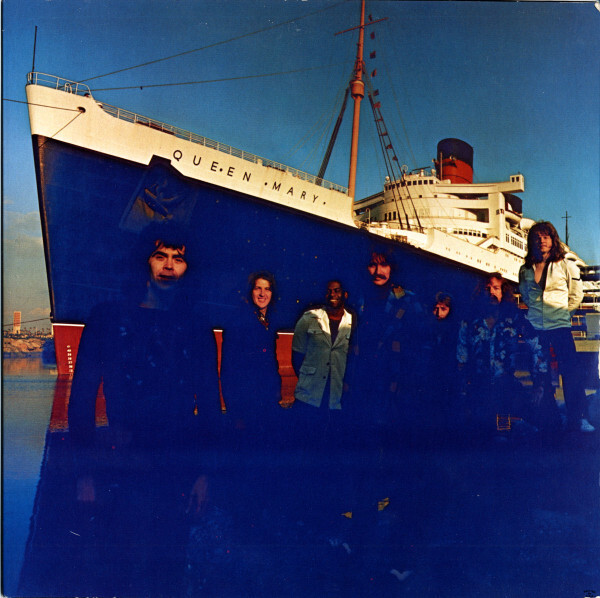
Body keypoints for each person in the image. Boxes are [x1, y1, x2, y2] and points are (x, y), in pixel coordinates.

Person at [68, 223, 221, 597]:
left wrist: (206, 473)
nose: (169, 266)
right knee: (119, 569)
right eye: (160, 256)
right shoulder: (106, 318)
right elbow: (82, 398)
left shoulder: (197, 327)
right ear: (144, 261)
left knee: (169, 568)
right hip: (122, 465)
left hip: (178, 465)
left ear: (189, 268)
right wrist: (83, 473)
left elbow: (209, 404)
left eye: (178, 259)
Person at [519, 221, 595, 433]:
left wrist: (563, 315)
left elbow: (576, 295)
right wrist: (536, 315)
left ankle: (578, 418)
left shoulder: (566, 265)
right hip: (536, 328)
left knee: (571, 373)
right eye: (537, 237)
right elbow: (525, 294)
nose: (541, 240)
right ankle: (549, 418)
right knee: (540, 374)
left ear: (553, 240)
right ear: (531, 241)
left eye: (546, 236)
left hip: (560, 327)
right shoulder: (525, 269)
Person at [457, 273, 544, 437]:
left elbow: (537, 348)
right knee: (477, 434)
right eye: (487, 288)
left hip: (507, 385)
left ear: (503, 292)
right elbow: (461, 356)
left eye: (496, 288)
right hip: (478, 386)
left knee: (521, 429)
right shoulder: (469, 320)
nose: (491, 292)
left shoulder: (515, 318)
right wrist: (462, 391)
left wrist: (538, 385)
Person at [350, 250, 424, 436]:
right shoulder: (360, 298)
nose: (378, 271)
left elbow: (420, 340)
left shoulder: (407, 299)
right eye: (372, 265)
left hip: (395, 375)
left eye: (383, 265)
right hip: (364, 372)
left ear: (392, 268)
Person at [220, 270, 282, 446]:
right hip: (245, 404)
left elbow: (270, 360)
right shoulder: (238, 321)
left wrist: (275, 389)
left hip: (266, 399)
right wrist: (236, 413)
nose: (262, 293)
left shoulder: (268, 320)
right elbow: (229, 368)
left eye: (267, 289)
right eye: (257, 288)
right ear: (250, 291)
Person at [291, 280, 354, 439]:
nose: (332, 294)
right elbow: (297, 355)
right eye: (329, 291)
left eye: (337, 290)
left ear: (345, 294)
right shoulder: (309, 318)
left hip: (336, 396)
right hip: (309, 394)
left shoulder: (353, 322)